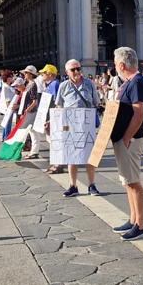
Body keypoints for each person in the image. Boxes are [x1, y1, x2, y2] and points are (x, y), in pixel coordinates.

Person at [110, 47, 143, 241]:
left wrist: (127, 137)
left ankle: (140, 225)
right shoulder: (130, 82)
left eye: (114, 63)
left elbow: (139, 113)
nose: (114, 66)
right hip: (125, 138)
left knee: (134, 182)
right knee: (127, 181)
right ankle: (133, 219)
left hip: (131, 139)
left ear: (121, 65)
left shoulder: (137, 82)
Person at [54, 59, 100, 193]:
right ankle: (73, 186)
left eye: (78, 69)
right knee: (71, 155)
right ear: (67, 72)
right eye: (73, 70)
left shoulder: (89, 84)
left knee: (90, 156)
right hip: (70, 125)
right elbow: (59, 105)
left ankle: (92, 185)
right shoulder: (63, 86)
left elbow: (96, 102)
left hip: (87, 125)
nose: (76, 71)